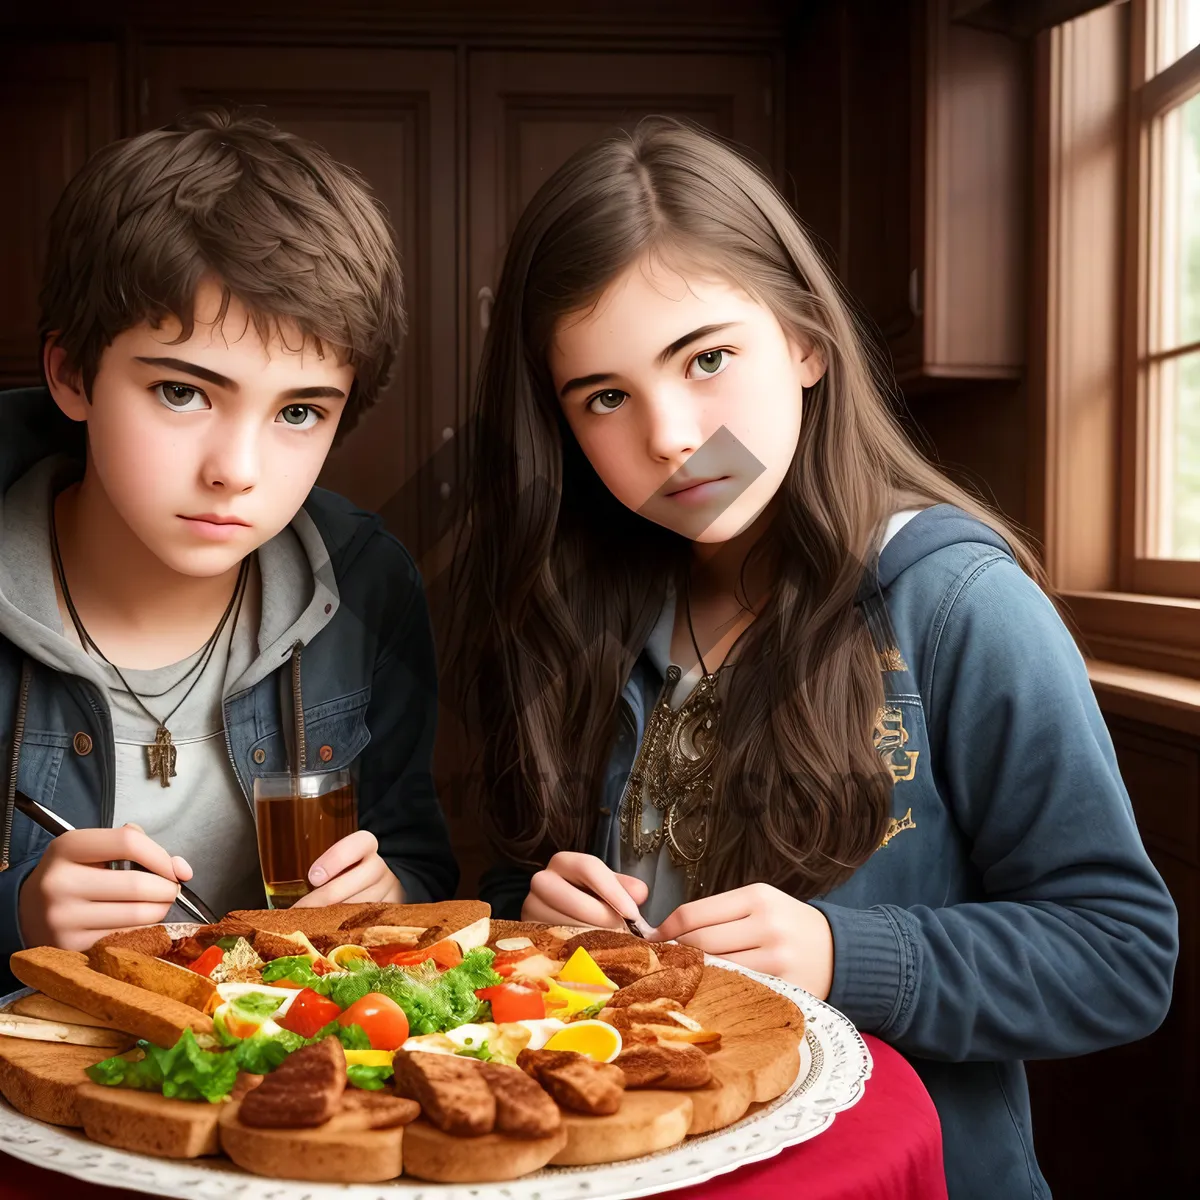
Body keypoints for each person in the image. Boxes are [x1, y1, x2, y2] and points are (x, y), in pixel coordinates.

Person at [450, 117, 1178, 1199]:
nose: (671, 437)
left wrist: (847, 957)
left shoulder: (958, 604)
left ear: (804, 341)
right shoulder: (583, 614)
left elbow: (1123, 957)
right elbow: (532, 882)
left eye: (705, 359)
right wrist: (534, 916)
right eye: (606, 396)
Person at [0, 107, 458, 990]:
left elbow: (418, 862)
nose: (236, 472)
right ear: (70, 374)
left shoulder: (369, 587)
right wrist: (17, 910)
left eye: (298, 413)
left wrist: (388, 896)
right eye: (182, 392)